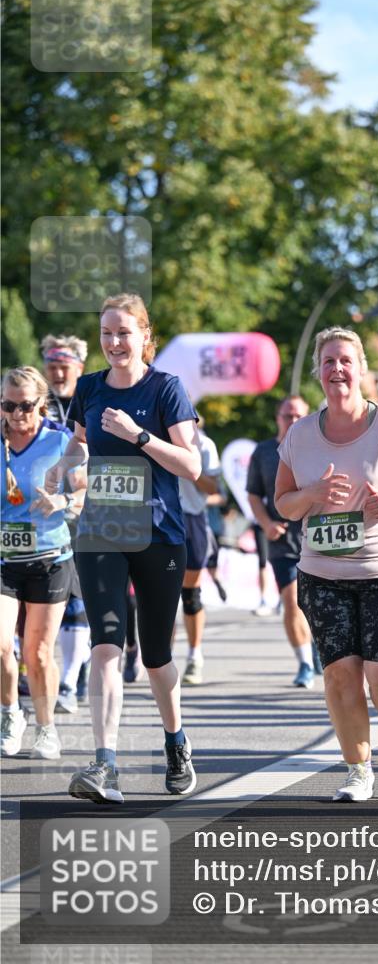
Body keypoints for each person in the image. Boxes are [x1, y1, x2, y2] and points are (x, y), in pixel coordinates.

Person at [45, 293, 201, 803]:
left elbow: (192, 466)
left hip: (159, 535)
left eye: (124, 333)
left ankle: (176, 742)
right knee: (106, 644)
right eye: (106, 333)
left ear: (144, 336)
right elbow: (79, 444)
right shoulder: (89, 387)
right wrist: (64, 466)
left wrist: (140, 437)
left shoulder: (166, 388)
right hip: (102, 532)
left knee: (155, 656)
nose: (114, 342)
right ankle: (105, 764)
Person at [274, 326, 378, 802]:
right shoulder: (300, 435)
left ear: (362, 369)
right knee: (340, 675)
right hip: (323, 574)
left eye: (346, 360)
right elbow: (284, 503)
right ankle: (358, 770)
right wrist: (313, 494)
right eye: (328, 361)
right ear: (318, 371)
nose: (337, 369)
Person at [1, 367, 84, 758]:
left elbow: (86, 490)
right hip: (4, 560)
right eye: (8, 406)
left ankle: (46, 728)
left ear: (41, 403)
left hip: (50, 559)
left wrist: (62, 501)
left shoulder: (60, 440)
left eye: (25, 406)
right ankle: (10, 714)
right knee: (2, 645)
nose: (16, 414)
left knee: (37, 653)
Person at [247, 396, 318, 687]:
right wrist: (266, 523)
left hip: (318, 537)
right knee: (292, 601)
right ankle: (304, 663)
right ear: (278, 418)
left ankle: (317, 646)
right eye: (287, 416)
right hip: (282, 539)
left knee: (316, 604)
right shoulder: (264, 452)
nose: (293, 421)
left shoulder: (319, 447)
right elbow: (253, 494)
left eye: (299, 416)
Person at [41, 333, 91, 710]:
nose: (58, 373)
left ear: (79, 367)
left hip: (80, 507)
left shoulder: (89, 399)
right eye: (52, 366)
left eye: (64, 366)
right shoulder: (32, 401)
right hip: (36, 509)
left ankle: (71, 680)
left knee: (77, 595)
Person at [177, 424, 222, 686]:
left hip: (192, 519)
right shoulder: (151, 436)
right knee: (161, 595)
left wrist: (185, 462)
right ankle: (160, 659)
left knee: (190, 594)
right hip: (159, 515)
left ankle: (194, 655)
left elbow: (213, 487)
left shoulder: (204, 445)